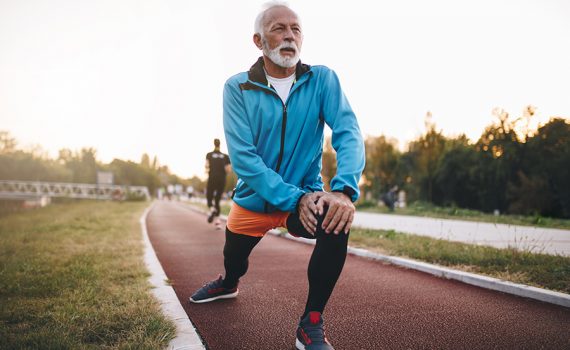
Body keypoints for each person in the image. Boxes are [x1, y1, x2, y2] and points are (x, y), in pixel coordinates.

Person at [190, 2, 365, 349]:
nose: (289, 36)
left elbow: (347, 130)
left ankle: (311, 322)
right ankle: (228, 281)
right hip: (255, 201)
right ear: (258, 41)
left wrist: (344, 190)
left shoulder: (323, 79)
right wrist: (295, 198)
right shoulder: (237, 88)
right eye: (278, 29)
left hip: (305, 196)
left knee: (336, 217)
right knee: (234, 260)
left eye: (295, 29)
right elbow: (244, 159)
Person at [205, 138, 231, 228]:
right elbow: (228, 169)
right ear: (220, 144)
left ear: (214, 144)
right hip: (221, 179)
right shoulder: (225, 156)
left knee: (209, 197)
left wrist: (209, 170)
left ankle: (212, 210)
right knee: (217, 200)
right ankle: (218, 222)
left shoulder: (209, 155)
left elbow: (206, 166)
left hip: (212, 177)